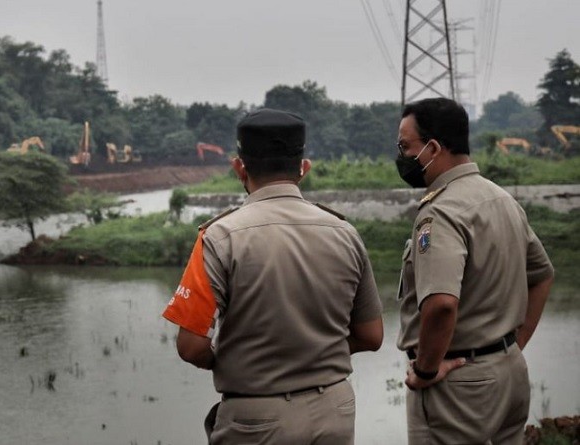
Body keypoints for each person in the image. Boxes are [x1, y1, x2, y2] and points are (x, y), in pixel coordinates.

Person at [162, 108, 383, 444]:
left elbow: (191, 347)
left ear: (239, 167)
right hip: (335, 410)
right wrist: (314, 355)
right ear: (304, 168)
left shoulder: (220, 237)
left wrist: (230, 362)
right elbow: (371, 335)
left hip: (256, 419)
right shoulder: (345, 233)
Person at [395, 97, 555, 444]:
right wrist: (513, 345)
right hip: (508, 372)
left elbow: (441, 304)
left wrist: (425, 370)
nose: (402, 156)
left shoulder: (441, 212)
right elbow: (542, 275)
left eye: (406, 147)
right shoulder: (501, 199)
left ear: (433, 148)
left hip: (458, 384)